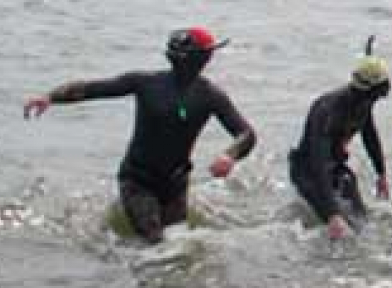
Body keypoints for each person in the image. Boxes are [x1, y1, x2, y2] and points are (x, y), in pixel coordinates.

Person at [23, 27, 256, 244]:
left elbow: (246, 133)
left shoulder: (210, 95)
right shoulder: (146, 84)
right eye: (206, 54)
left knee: (178, 242)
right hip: (138, 180)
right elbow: (92, 89)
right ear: (194, 59)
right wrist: (50, 97)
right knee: (155, 244)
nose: (209, 58)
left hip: (175, 182)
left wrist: (230, 155)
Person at [290, 52, 392, 241]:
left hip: (336, 168)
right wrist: (332, 214)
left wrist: (381, 174)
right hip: (307, 171)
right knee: (339, 233)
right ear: (370, 89)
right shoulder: (328, 110)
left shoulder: (364, 102)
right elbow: (317, 163)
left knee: (362, 224)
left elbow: (369, 136)